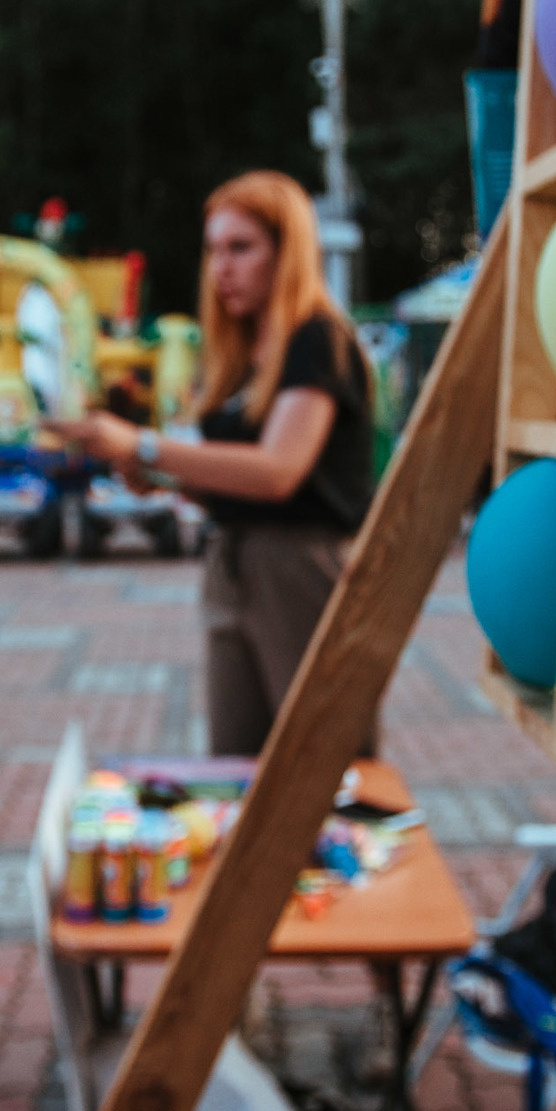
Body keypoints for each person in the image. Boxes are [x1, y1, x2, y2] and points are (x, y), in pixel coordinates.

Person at [52, 171, 377, 758]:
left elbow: (278, 472)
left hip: (302, 568)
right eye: (213, 250)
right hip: (231, 562)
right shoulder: (240, 353)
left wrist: (143, 446)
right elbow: (237, 481)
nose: (221, 268)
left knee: (324, 766)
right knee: (234, 766)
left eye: (241, 248)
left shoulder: (317, 338)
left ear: (288, 252)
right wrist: (161, 479)